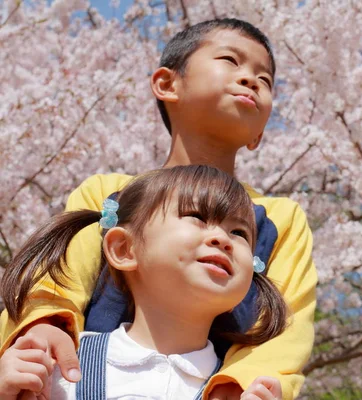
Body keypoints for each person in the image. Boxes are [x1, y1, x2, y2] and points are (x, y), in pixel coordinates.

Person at [0, 18, 317, 400]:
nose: (251, 79)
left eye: (265, 80)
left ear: (259, 134)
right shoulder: (110, 192)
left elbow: (285, 327)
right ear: (167, 84)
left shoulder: (279, 218)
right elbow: (57, 274)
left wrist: (243, 384)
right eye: (231, 61)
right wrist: (46, 324)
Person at [0, 166, 287, 399]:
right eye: (196, 217)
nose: (222, 239)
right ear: (124, 249)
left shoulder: (233, 390)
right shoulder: (59, 368)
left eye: (239, 232)